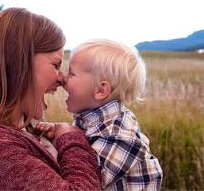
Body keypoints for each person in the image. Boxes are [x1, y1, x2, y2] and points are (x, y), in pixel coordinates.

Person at [0, 8, 101, 191]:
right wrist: (70, 139)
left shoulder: (1, 135)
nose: (61, 78)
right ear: (19, 63)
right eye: (55, 64)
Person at [37, 39, 163, 190]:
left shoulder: (118, 135)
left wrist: (64, 137)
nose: (63, 78)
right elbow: (78, 153)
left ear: (101, 90)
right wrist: (56, 137)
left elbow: (87, 176)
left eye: (71, 73)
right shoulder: (94, 122)